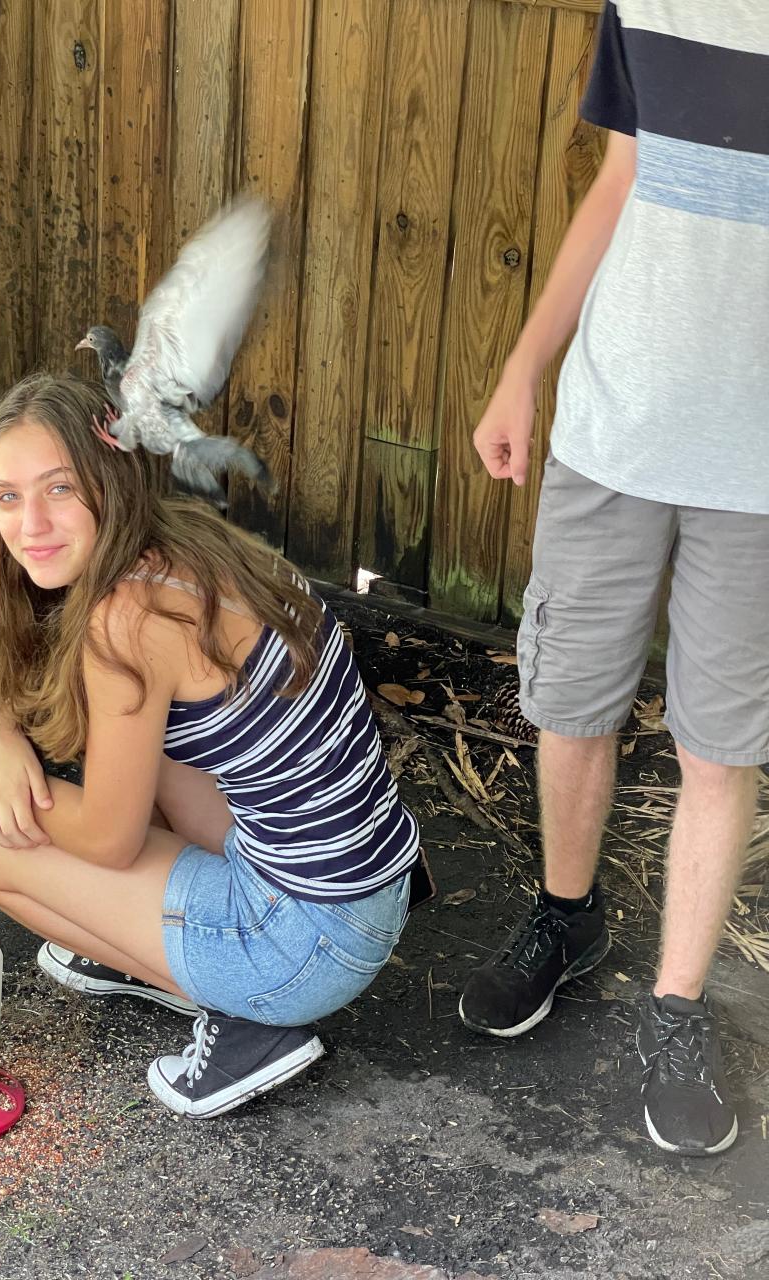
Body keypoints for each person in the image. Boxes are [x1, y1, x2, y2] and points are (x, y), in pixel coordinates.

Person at [461, 0, 768, 1156]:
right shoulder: (643, 3)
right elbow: (618, 179)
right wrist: (522, 367)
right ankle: (566, 918)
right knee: (572, 702)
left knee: (719, 745)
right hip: (612, 429)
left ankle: (678, 1009)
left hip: (758, 462)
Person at [0, 371, 421, 1118]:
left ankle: (248, 1023)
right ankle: (147, 946)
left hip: (304, 944)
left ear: (109, 478)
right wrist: (3, 733)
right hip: (367, 888)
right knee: (153, 753)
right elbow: (38, 685)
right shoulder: (185, 544)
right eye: (7, 496)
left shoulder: (127, 617)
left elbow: (108, 838)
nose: (29, 522)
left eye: (59, 489)